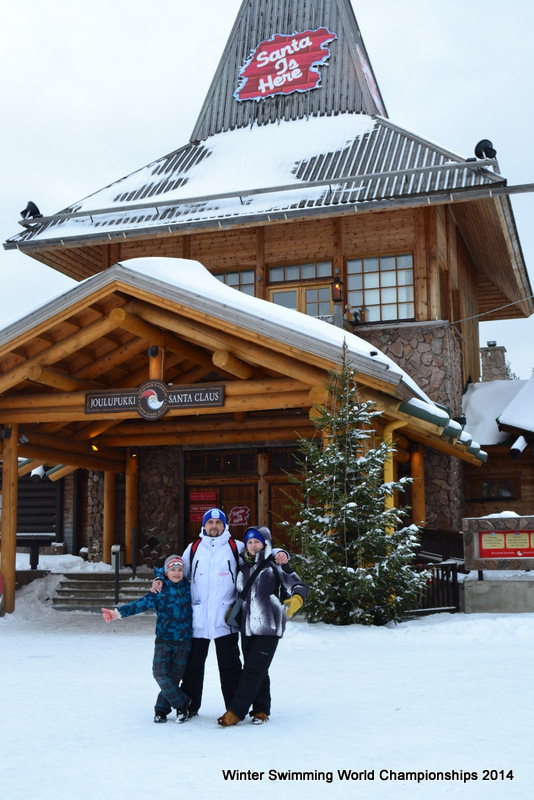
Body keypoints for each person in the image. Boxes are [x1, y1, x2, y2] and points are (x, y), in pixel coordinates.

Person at [151, 507, 288, 719]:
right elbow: (175, 570)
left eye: (218, 523)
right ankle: (190, 706)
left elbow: (260, 552)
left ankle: (233, 708)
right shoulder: (194, 548)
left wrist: (281, 553)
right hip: (198, 620)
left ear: (225, 526)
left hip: (226, 620)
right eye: (210, 522)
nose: (214, 526)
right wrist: (159, 577)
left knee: (230, 667)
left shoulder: (236, 547)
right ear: (204, 525)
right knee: (193, 667)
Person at [217, 525, 307, 727]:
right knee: (259, 669)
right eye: (249, 542)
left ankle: (235, 712)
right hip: (247, 628)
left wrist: (297, 599)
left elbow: (298, 584)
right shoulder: (243, 565)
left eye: (257, 541)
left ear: (265, 543)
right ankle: (261, 710)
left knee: (252, 669)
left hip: (269, 626)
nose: (253, 545)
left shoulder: (276, 564)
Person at [102, 555, 192, 724]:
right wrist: (117, 613)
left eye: (180, 570)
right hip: (164, 639)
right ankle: (182, 702)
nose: (177, 573)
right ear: (166, 572)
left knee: (174, 677)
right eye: (173, 569)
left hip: (184, 641)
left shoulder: (189, 588)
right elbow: (140, 604)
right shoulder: (159, 590)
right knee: (159, 673)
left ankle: (161, 710)